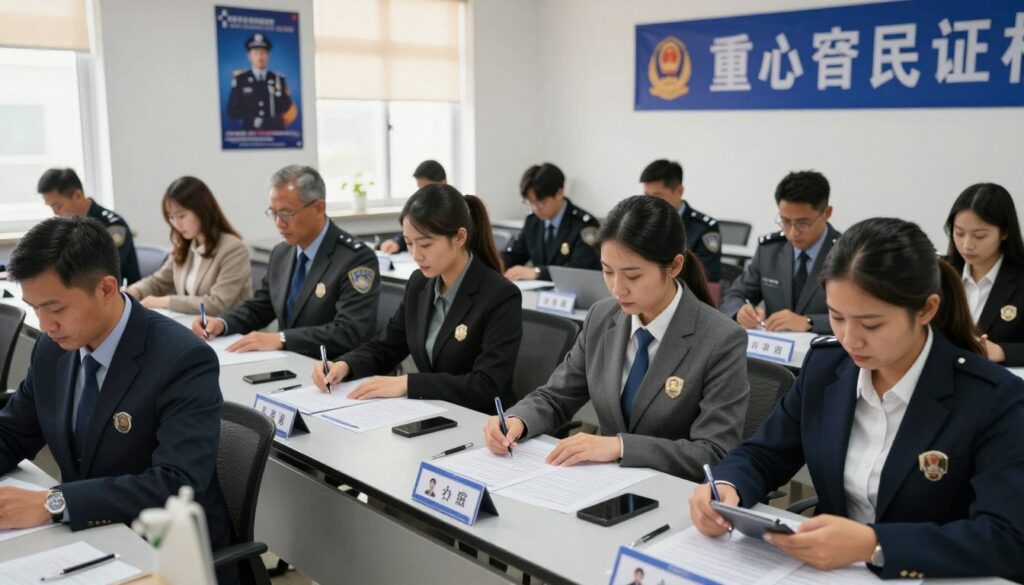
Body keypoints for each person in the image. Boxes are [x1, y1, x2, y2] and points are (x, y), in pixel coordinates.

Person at [690, 218, 1024, 580]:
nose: (851, 339)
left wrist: (873, 544)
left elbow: (1005, 539)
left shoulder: (992, 399)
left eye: (871, 324)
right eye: (836, 317)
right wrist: (726, 486)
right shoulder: (826, 368)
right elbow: (763, 454)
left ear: (926, 310)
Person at [0, 217, 234, 579]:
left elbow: (175, 483)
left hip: (163, 552)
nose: (45, 325)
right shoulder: (52, 350)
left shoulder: (181, 358)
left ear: (107, 289)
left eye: (56, 308)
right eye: (35, 308)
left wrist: (54, 502)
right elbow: (13, 432)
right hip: (89, 540)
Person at [484, 196, 748, 480]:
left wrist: (620, 446)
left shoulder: (721, 339)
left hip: (675, 494)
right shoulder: (602, 316)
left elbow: (713, 452)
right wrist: (516, 420)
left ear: (674, 267)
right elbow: (556, 396)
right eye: (607, 271)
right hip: (605, 485)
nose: (617, 289)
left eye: (632, 276)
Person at [313, 184, 521, 415]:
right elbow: (388, 345)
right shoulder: (420, 283)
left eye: (425, 244)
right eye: (409, 243)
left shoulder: (500, 295)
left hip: (482, 424)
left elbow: (486, 386)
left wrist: (408, 383)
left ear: (460, 237)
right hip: (431, 413)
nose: (416, 255)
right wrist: (345, 365)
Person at [192, 165, 379, 359]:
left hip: (334, 370)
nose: (279, 223)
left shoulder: (354, 258)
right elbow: (261, 307)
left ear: (318, 208)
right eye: (273, 213)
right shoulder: (282, 253)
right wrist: (222, 323)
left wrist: (281, 339)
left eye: (287, 214)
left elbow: (349, 331)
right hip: (288, 363)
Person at [720, 170, 840, 333]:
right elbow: (734, 294)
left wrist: (809, 322)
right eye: (785, 221)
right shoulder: (770, 250)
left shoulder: (846, 254)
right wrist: (740, 311)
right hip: (774, 353)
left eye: (803, 223)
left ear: (826, 213)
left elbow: (860, 315)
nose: (792, 232)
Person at [127, 176, 252, 315]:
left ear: (202, 211)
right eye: (171, 217)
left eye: (181, 216)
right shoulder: (185, 246)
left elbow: (217, 304)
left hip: (229, 331)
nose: (176, 224)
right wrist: (134, 292)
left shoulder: (234, 249)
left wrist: (166, 302)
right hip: (194, 326)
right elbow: (158, 281)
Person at [945, 183, 1024, 366]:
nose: (967, 245)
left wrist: (1001, 351)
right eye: (959, 233)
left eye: (979, 236)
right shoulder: (939, 274)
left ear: (1004, 232)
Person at [37, 168, 141, 285]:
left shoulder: (113, 225)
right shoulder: (65, 226)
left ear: (78, 195)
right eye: (50, 207)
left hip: (118, 294)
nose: (55, 213)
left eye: (58, 206)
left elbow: (101, 269)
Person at [502, 163, 601, 281]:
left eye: (540, 202)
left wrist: (538, 272)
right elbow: (515, 254)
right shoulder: (533, 221)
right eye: (530, 202)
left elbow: (580, 269)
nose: (535, 208)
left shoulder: (585, 224)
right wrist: (494, 265)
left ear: (559, 193)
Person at [640, 159, 721, 282]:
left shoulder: (703, 228)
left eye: (657, 196)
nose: (651, 202)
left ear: (679, 191)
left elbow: (707, 278)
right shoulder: (641, 222)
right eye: (647, 196)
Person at [226, 33, 297, 130]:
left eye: (263, 52)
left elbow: (288, 108)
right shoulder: (241, 80)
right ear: (249, 56)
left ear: (268, 56)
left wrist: (273, 122)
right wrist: (253, 120)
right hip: (248, 135)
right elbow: (232, 111)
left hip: (275, 134)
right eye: (256, 52)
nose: (260, 56)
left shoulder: (278, 79)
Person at [378, 160, 448, 254]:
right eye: (420, 189)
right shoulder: (426, 206)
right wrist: (397, 243)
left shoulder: (455, 210)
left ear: (443, 183)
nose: (422, 194)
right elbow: (416, 231)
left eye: (426, 188)